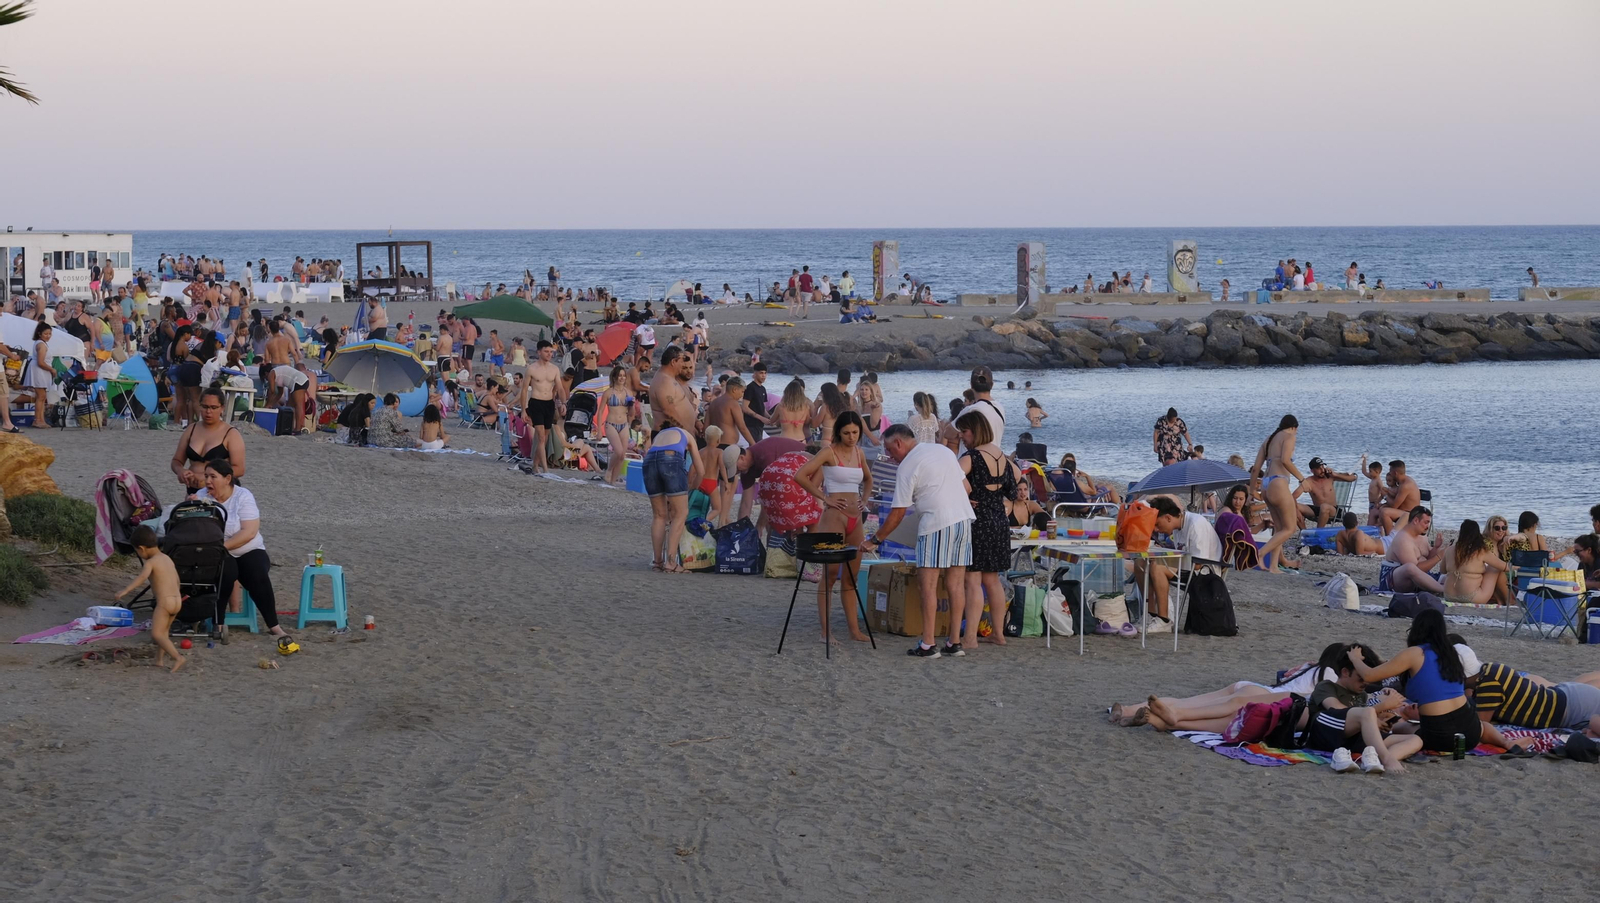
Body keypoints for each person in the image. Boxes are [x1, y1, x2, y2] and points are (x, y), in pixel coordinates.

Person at [861, 424, 975, 657]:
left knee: (928, 586)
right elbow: (967, 487)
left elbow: (898, 513)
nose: (890, 458)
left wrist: (875, 540)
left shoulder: (907, 466)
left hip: (935, 525)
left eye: (890, 451)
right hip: (963, 521)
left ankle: (928, 643)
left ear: (899, 443)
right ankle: (954, 643)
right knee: (955, 584)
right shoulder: (942, 451)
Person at [1347, 612, 1527, 755]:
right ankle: (1506, 742)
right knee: (1481, 727)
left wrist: (1355, 659)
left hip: (1440, 733)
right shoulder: (1451, 654)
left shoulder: (1415, 653)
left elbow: (1370, 675)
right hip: (1469, 731)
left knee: (1403, 727)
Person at [794, 412, 873, 644]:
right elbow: (801, 476)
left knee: (852, 577)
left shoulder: (859, 453)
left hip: (855, 518)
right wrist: (824, 498)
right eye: (847, 432)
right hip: (833, 518)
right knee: (829, 577)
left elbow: (868, 479)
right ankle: (825, 632)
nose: (851, 437)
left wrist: (865, 500)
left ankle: (854, 631)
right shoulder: (828, 452)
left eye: (856, 432)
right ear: (838, 431)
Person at [195, 459, 288, 638]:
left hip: (248, 548)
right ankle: (218, 623)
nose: (207, 481)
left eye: (213, 477)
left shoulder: (242, 496)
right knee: (224, 573)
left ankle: (273, 625)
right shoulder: (201, 496)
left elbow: (249, 532)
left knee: (257, 574)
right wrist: (191, 505)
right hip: (217, 553)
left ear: (227, 478)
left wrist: (222, 547)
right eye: (206, 476)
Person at [955, 410, 1021, 646]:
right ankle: (999, 634)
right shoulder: (1002, 456)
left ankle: (971, 637)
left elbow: (951, 478)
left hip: (978, 519)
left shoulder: (971, 457)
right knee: (992, 580)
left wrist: (966, 495)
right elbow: (1015, 484)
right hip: (999, 520)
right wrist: (1005, 502)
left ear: (975, 429)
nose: (962, 436)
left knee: (972, 580)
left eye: (964, 431)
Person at [1306, 646, 1421, 774]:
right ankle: (1387, 759)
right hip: (1325, 731)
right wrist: (1379, 708)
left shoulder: (1362, 695)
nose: (1365, 682)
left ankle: (1381, 758)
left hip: (1352, 739)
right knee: (1367, 713)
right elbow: (1336, 709)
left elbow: (1364, 716)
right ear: (1345, 672)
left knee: (1415, 740)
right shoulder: (1326, 686)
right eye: (1361, 677)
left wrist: (1380, 721)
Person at [1130, 496, 1222, 632]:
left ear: (1168, 518)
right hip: (1189, 566)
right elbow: (1181, 552)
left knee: (1157, 568)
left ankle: (1164, 620)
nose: (1155, 529)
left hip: (1204, 572)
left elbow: (1197, 564)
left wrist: (1163, 561)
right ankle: (1150, 614)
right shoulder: (1179, 526)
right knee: (1140, 563)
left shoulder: (1196, 525)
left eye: (1157, 524)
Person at [112, 525, 186, 672]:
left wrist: (125, 591)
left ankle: (178, 657)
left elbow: (142, 578)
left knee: (157, 634)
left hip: (164, 602)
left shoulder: (151, 562)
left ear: (142, 548)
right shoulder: (167, 558)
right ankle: (159, 660)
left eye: (137, 552)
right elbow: (177, 580)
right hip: (177, 600)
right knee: (164, 633)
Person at [643, 416, 703, 574]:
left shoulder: (659, 436)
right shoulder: (687, 435)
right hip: (671, 460)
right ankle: (671, 563)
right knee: (680, 514)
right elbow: (700, 470)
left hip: (649, 461)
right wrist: (692, 488)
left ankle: (657, 562)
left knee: (659, 515)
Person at [1471, 659, 1600, 732]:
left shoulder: (1488, 678)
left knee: (1552, 686)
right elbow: (1594, 721)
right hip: (1575, 703)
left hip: (1573, 697)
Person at [1250, 414, 1303, 572]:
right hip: (1279, 482)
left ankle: (1273, 565)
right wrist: (1302, 479)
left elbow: (1255, 468)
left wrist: (1251, 491)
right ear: (1294, 427)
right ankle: (1260, 554)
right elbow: (1286, 460)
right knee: (1290, 528)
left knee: (1279, 528)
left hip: (1266, 484)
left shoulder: (1269, 439)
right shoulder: (1289, 436)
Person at [170, 389, 246, 491]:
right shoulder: (191, 429)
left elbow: (239, 469)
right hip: (193, 490)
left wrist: (208, 476)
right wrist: (180, 471)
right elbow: (177, 460)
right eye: (205, 407)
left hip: (221, 492)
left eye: (213, 407)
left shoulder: (231, 434)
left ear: (222, 408)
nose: (208, 411)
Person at [516, 341, 567, 473]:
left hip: (549, 404)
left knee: (544, 437)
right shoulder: (532, 369)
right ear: (539, 352)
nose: (549, 354)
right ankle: (544, 469)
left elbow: (560, 388)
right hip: (536, 402)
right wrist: (523, 410)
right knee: (541, 437)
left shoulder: (554, 369)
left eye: (551, 352)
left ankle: (535, 465)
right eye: (546, 351)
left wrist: (563, 403)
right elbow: (524, 390)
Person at [1442, 519, 1509, 605]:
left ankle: (1499, 599)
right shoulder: (1481, 551)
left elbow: (1442, 570)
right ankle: (1509, 600)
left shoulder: (1450, 549)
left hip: (1449, 596)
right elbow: (1505, 567)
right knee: (1494, 568)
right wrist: (1519, 568)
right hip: (1471, 597)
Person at [1384, 505, 1446, 593]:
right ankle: (1443, 590)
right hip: (1392, 580)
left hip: (1420, 576)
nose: (1427, 526)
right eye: (1426, 522)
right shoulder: (1403, 539)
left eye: (1429, 523)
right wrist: (1439, 557)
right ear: (1416, 520)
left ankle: (1442, 587)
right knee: (1410, 567)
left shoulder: (1422, 535)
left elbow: (1428, 557)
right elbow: (1416, 569)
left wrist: (1436, 548)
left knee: (1450, 576)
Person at [1294, 456, 1359, 528]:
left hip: (1334, 510)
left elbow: (1353, 477)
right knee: (1292, 506)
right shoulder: (1309, 482)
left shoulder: (1330, 477)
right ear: (1312, 470)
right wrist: (1296, 510)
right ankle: (1304, 533)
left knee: (1324, 507)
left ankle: (1317, 533)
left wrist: (1335, 474)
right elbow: (1293, 496)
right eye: (1319, 468)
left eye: (1323, 467)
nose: (1322, 470)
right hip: (1317, 510)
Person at [601, 366, 640, 486]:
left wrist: (632, 405)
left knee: (622, 455)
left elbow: (632, 414)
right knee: (618, 452)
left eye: (624, 375)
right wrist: (598, 430)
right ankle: (608, 470)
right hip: (611, 424)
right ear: (615, 377)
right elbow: (601, 411)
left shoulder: (628, 393)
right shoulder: (608, 392)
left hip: (623, 424)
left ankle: (613, 481)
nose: (622, 378)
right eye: (620, 375)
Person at [1378, 460, 1422, 535]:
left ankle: (1390, 539)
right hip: (1403, 510)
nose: (1389, 473)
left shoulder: (1406, 485)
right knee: (1380, 508)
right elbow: (1395, 496)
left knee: (1385, 512)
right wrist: (1387, 492)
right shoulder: (1402, 481)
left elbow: (1394, 506)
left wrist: (1385, 496)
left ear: (1395, 473)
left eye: (1390, 471)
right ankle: (1378, 532)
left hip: (1411, 514)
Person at [271, 363, 313, 434]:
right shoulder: (278, 374)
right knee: (291, 406)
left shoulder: (271, 374)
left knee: (298, 406)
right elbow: (279, 394)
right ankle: (294, 427)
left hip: (298, 381)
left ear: (265, 373)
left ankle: (298, 428)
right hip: (300, 380)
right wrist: (271, 404)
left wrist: (267, 405)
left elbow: (271, 392)